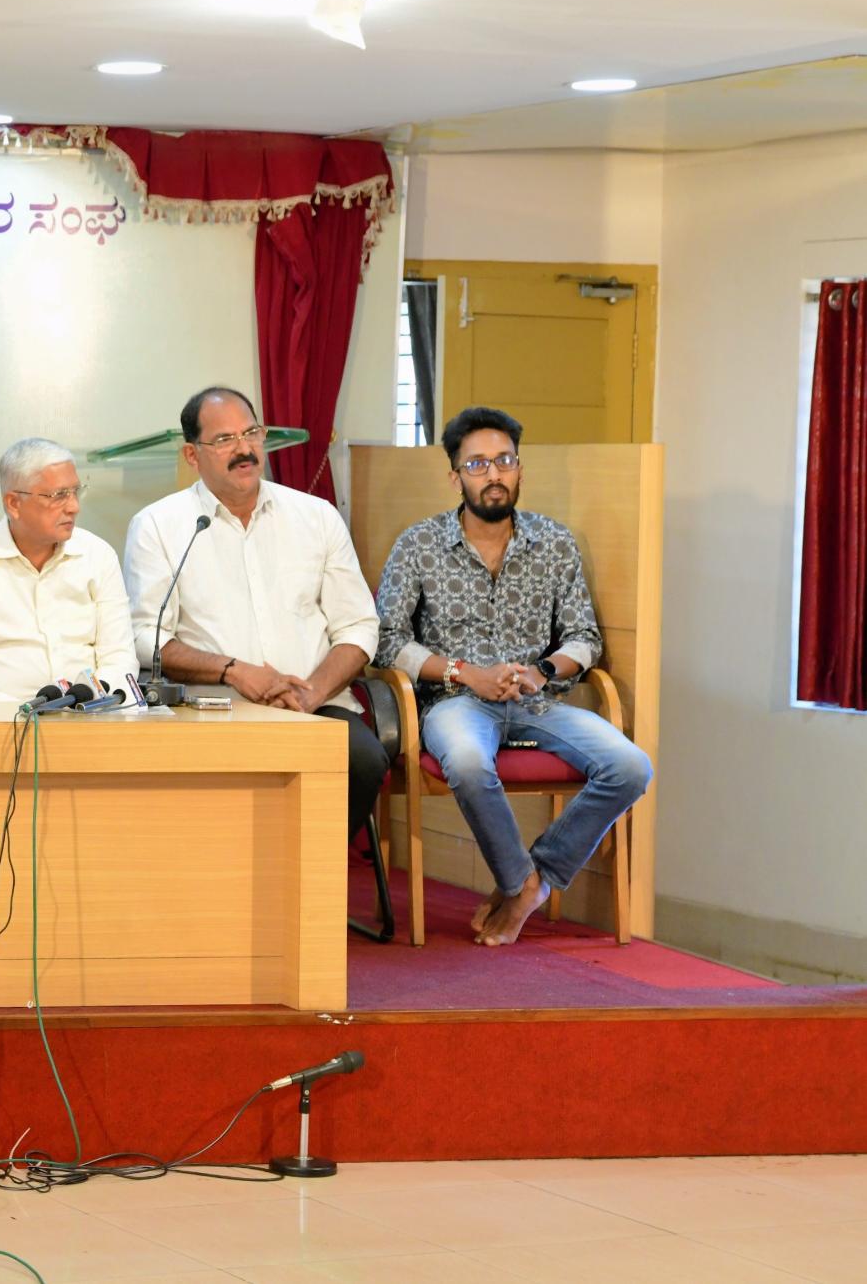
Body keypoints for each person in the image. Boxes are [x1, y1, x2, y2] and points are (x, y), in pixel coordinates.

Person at [373, 405, 653, 947]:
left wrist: (543, 671)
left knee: (631, 767)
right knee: (468, 763)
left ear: (520, 469)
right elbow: (389, 643)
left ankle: (535, 880)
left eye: (504, 461)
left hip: (536, 701)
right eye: (477, 464)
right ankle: (520, 883)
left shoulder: (554, 542)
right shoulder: (419, 544)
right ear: (455, 477)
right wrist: (467, 674)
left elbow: (584, 638)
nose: (494, 474)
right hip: (454, 701)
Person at [122, 387, 388, 841]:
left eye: (251, 433)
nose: (244, 449)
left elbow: (359, 626)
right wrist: (234, 671)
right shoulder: (159, 525)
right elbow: (146, 635)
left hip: (315, 707)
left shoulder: (317, 516)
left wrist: (309, 694)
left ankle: (312, 880)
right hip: (210, 708)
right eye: (224, 439)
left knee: (362, 760)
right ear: (192, 454)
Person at [0, 437, 133, 702]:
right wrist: (15, 710)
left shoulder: (98, 555)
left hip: (86, 716)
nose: (74, 507)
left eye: (75, 492)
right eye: (59, 495)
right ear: (14, 503)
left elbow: (120, 658)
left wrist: (92, 700)